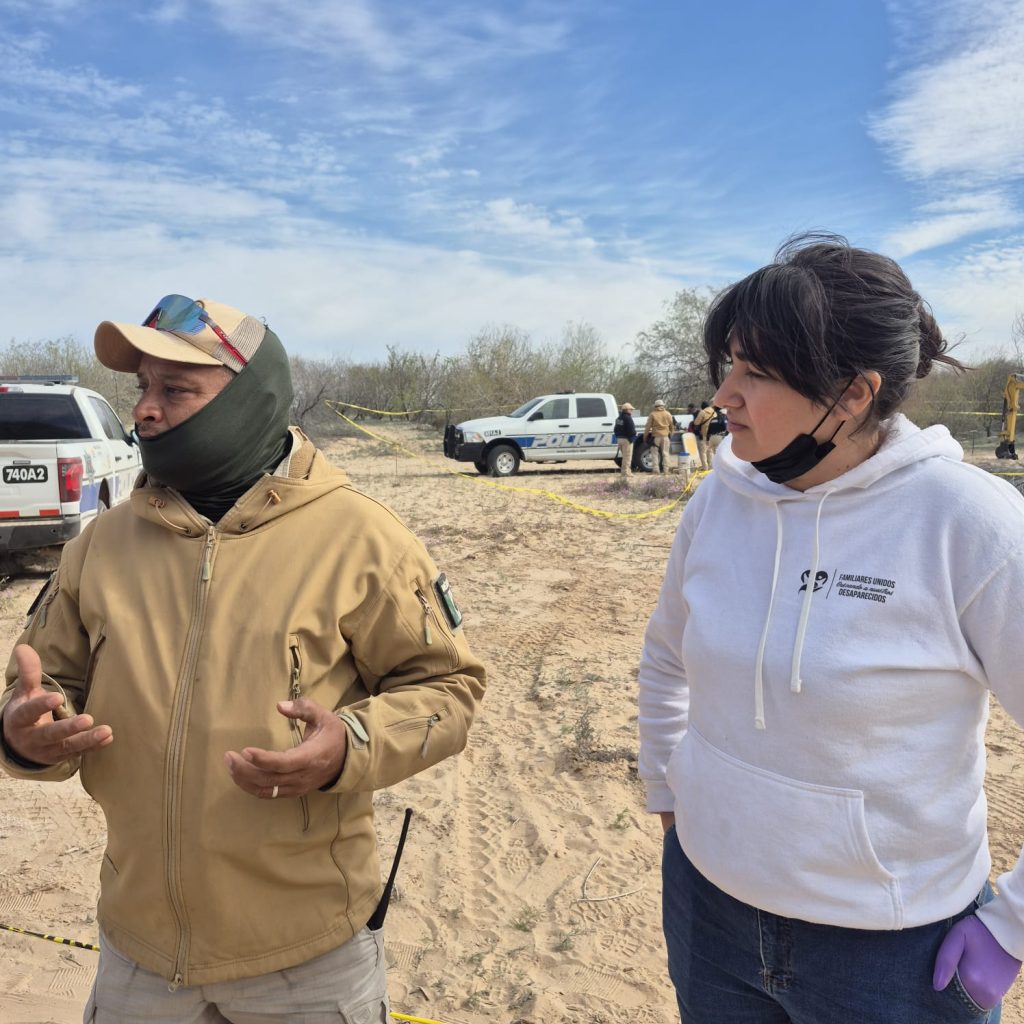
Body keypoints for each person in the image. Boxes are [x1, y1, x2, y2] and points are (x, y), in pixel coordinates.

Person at [0, 295, 487, 1023]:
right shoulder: (99, 544)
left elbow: (448, 689)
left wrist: (349, 745)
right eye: (142, 389)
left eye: (176, 390)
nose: (145, 413)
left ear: (252, 400)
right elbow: (42, 686)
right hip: (140, 952)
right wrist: (24, 732)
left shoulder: (361, 537)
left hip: (307, 957)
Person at [638, 234, 1024, 1023]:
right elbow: (667, 653)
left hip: (889, 954)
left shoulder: (970, 525)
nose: (722, 397)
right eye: (728, 365)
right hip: (709, 912)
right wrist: (668, 785)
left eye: (756, 373)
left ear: (853, 394)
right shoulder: (718, 501)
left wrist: (1013, 927)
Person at [644, 399, 675, 474]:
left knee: (654, 454)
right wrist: (670, 435)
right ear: (663, 406)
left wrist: (645, 437)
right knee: (665, 453)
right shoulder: (668, 414)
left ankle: (656, 470)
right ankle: (666, 470)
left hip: (656, 437)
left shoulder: (652, 414)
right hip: (665, 436)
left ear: (655, 406)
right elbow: (672, 427)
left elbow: (648, 427)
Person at [613, 401, 638, 479]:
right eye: (631, 409)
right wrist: (634, 435)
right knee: (627, 457)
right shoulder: (628, 418)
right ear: (627, 410)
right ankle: (626, 472)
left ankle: (625, 472)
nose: (632, 411)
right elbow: (631, 430)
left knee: (624, 456)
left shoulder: (618, 418)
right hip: (627, 440)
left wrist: (618, 436)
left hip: (619, 439)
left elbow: (615, 429)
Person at [691, 400, 716, 470]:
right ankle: (711, 467)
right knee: (710, 451)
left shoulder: (703, 412)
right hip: (712, 435)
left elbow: (696, 423)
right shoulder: (714, 412)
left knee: (703, 452)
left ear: (703, 407)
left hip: (704, 435)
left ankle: (705, 467)